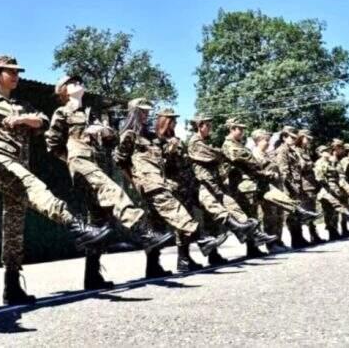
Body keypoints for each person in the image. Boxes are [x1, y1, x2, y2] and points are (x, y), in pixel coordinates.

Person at [0, 56, 112, 305]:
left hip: (19, 164)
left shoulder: (23, 104)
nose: (16, 76)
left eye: (17, 71)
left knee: (14, 225)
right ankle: (77, 226)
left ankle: (12, 285)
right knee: (36, 188)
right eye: (10, 72)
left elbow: (44, 121)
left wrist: (23, 119)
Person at [44, 75, 172, 288]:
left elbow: (110, 142)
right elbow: (52, 143)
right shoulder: (63, 112)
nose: (78, 83)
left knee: (98, 221)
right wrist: (71, 159)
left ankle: (92, 276)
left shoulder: (90, 114)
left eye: (80, 81)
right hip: (80, 162)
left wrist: (104, 131)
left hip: (95, 163)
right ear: (63, 90)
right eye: (72, 82)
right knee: (113, 191)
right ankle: (144, 232)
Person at [114, 99, 224, 277]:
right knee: (171, 216)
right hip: (148, 185)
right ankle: (200, 239)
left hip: (160, 183)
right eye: (142, 112)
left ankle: (153, 266)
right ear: (133, 112)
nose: (146, 115)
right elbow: (121, 161)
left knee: (156, 227)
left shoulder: (150, 136)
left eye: (147, 112)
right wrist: (135, 182)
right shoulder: (129, 135)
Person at [187, 115, 277, 264]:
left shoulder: (205, 142)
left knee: (233, 208)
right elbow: (213, 156)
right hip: (204, 185)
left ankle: (254, 233)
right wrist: (221, 154)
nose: (211, 128)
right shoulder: (195, 142)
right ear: (199, 126)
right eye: (208, 125)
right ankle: (213, 253)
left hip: (216, 185)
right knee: (213, 219)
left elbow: (217, 156)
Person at [221, 121, 319, 257]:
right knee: (253, 217)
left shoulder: (243, 147)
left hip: (255, 185)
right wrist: (265, 173)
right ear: (232, 129)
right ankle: (255, 247)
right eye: (240, 129)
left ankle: (296, 213)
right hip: (244, 187)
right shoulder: (231, 146)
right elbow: (248, 164)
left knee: (260, 216)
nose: (242, 132)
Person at [155, 108, 228, 272]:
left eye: (175, 120)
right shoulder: (157, 141)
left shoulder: (177, 139)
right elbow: (158, 165)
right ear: (163, 121)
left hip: (188, 185)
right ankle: (183, 260)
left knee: (195, 218)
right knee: (184, 224)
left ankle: (190, 257)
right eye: (171, 120)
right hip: (175, 187)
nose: (174, 123)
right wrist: (168, 153)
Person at [314, 143, 349, 241]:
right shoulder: (320, 163)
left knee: (334, 212)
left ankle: (335, 231)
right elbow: (319, 178)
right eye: (325, 151)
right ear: (320, 153)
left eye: (328, 150)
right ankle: (332, 232)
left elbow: (338, 174)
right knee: (329, 211)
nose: (328, 152)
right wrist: (327, 188)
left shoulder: (330, 162)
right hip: (326, 190)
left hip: (334, 189)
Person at [293, 129, 325, 245]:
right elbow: (300, 167)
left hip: (310, 184)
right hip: (304, 185)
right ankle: (304, 236)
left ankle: (313, 234)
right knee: (306, 211)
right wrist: (311, 164)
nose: (309, 141)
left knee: (312, 210)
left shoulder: (305, 151)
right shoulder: (297, 151)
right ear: (301, 138)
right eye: (307, 139)